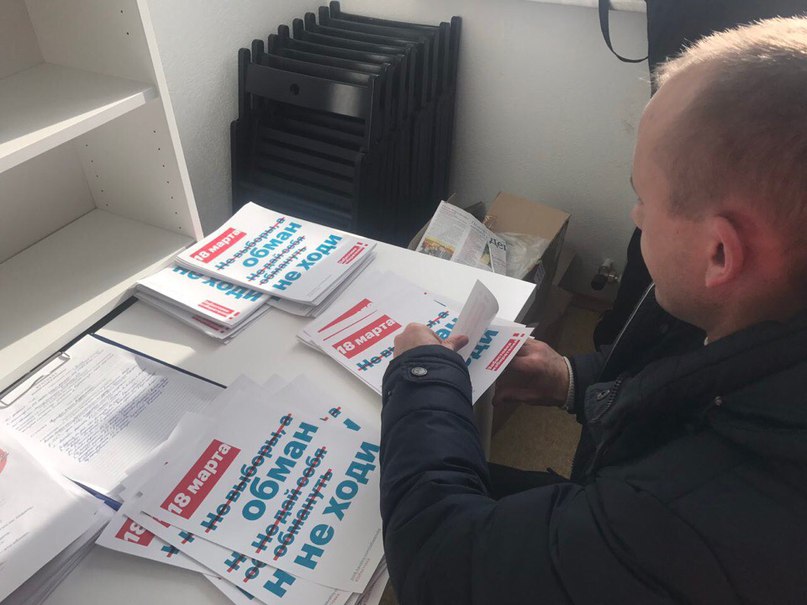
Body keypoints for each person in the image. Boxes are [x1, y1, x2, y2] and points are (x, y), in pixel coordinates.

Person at [379, 17, 807, 605]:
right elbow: (688, 384)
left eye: (643, 199)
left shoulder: (694, 518)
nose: (635, 216)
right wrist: (571, 379)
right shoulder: (760, 308)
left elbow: (441, 565)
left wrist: (422, 376)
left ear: (719, 253)